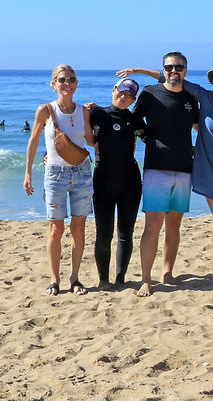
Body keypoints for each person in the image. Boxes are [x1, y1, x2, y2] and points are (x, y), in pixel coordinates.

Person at [124, 60, 213, 288]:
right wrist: (139, 71)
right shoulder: (201, 97)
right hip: (186, 170)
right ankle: (147, 280)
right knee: (160, 224)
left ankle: (206, 268)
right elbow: (169, 81)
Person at [117, 52, 198, 296]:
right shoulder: (150, 93)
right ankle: (145, 280)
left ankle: (168, 272)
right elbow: (132, 119)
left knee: (174, 224)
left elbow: (198, 126)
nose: (174, 71)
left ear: (185, 70)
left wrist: (199, 148)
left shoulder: (191, 98)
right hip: (156, 169)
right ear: (163, 69)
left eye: (179, 67)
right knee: (153, 225)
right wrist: (145, 137)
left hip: (184, 169)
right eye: (169, 67)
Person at [23, 64, 94, 296]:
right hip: (55, 174)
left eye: (72, 79)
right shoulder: (45, 110)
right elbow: (33, 141)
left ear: (76, 84)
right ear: (54, 84)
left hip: (82, 173)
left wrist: (102, 112)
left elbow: (91, 142)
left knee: (78, 228)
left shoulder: (83, 111)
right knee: (56, 228)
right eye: (62, 80)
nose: (67, 83)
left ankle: (75, 279)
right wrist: (28, 173)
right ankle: (54, 280)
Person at [88, 77, 144, 290]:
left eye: (129, 95)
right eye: (121, 92)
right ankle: (103, 280)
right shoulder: (96, 113)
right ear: (113, 90)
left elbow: (153, 139)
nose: (123, 97)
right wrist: (49, 152)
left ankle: (120, 279)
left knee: (125, 232)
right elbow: (73, 132)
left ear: (133, 99)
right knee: (103, 233)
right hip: (102, 181)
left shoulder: (134, 119)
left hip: (130, 181)